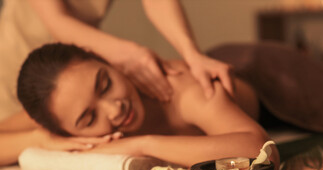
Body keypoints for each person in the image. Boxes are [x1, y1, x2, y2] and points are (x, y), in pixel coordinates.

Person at [1, 42, 279, 170]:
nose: (114, 109)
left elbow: (260, 151)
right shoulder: (61, 106)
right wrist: (43, 139)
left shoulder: (183, 90)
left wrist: (144, 145)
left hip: (270, 80)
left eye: (105, 83)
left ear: (107, 61)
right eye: (88, 118)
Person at [0, 0, 233, 122]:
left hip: (77, 62)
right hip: (17, 64)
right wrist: (129, 53)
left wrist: (192, 54)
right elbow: (56, 19)